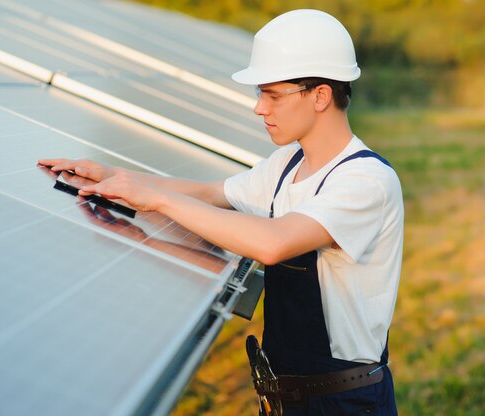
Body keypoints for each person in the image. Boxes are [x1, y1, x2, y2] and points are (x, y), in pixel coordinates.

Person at [40, 9, 403, 415]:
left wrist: (156, 199)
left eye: (273, 94)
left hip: (343, 402)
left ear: (320, 95)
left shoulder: (366, 181)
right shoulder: (287, 164)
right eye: (259, 94)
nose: (259, 108)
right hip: (287, 398)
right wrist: (113, 175)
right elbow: (213, 194)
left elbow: (273, 242)